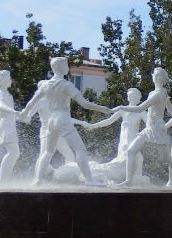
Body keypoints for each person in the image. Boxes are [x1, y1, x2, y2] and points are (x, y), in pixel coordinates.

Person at [19, 56, 114, 185]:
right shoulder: (67, 85)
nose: (68, 68)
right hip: (63, 119)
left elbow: (31, 102)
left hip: (51, 120)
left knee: (48, 152)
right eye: (66, 65)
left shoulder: (46, 85)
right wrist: (103, 109)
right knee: (80, 150)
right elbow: (84, 104)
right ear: (61, 67)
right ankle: (89, 180)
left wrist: (24, 113)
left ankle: (38, 179)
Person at [110, 68, 172, 187]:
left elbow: (140, 108)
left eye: (158, 76)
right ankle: (128, 180)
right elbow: (171, 109)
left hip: (157, 128)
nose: (155, 77)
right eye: (154, 75)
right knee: (131, 151)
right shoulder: (155, 93)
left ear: (163, 79)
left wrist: (121, 107)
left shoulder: (159, 94)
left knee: (165, 157)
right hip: (149, 128)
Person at [0, 70, 22, 185]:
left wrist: (21, 117)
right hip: (6, 124)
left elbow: (9, 111)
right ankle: (2, 181)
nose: (11, 81)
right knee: (13, 152)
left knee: (14, 153)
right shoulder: (0, 92)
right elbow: (1, 106)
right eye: (9, 79)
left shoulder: (6, 93)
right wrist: (14, 112)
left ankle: (5, 180)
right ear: (4, 80)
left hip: (10, 123)